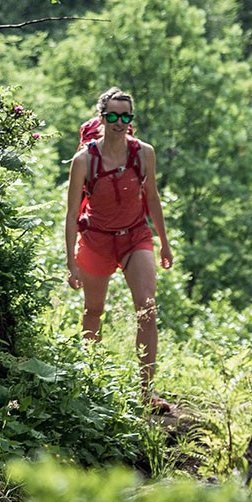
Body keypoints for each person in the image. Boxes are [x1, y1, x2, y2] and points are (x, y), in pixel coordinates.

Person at [64, 87, 174, 408]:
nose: (119, 122)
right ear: (102, 118)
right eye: (112, 116)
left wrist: (164, 243)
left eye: (125, 116)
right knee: (93, 312)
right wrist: (71, 261)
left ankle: (146, 391)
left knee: (147, 308)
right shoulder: (84, 161)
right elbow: (72, 214)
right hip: (96, 239)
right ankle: (91, 380)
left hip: (135, 237)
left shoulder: (144, 153)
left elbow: (152, 197)